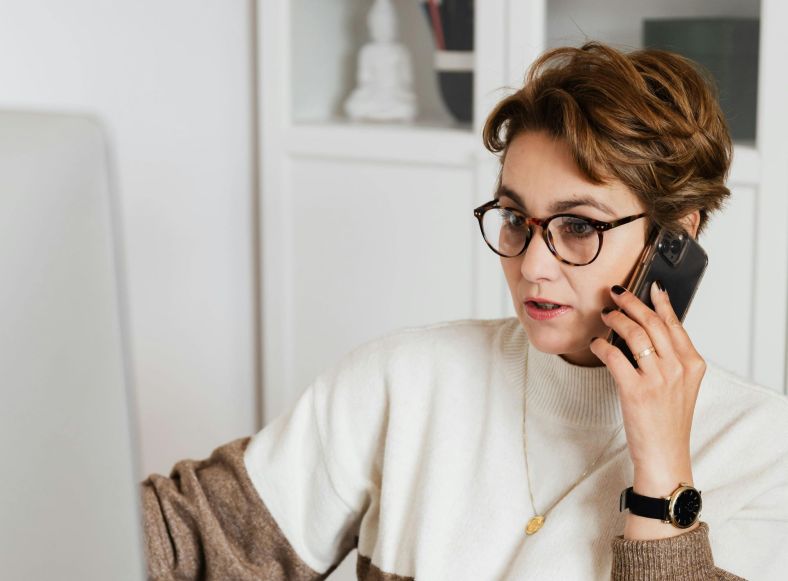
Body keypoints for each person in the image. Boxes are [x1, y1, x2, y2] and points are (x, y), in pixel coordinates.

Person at [141, 42, 788, 580]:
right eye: (515, 219)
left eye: (578, 227)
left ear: (676, 237)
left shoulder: (766, 450)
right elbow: (191, 540)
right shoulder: (406, 378)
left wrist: (663, 475)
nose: (533, 264)